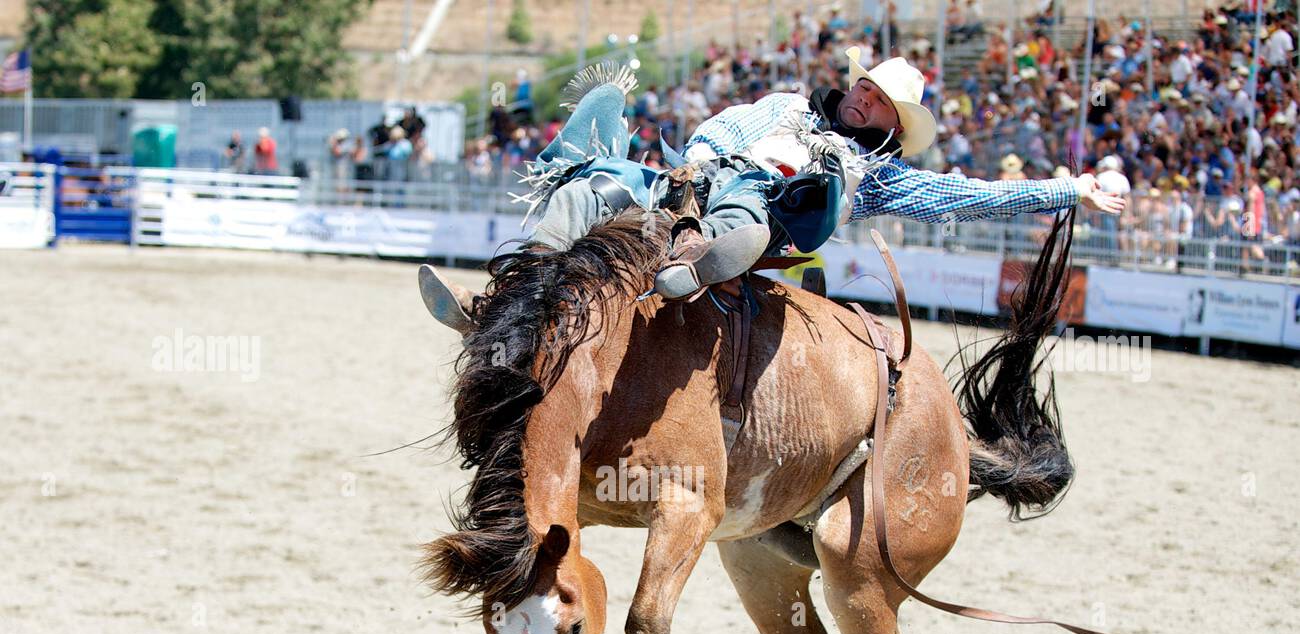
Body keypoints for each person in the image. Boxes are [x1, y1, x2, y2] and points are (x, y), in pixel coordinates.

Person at [421, 53, 1124, 330]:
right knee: (593, 189)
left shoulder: (879, 174)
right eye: (865, 86)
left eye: (880, 101)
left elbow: (967, 196)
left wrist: (1072, 189)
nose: (864, 98)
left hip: (767, 205)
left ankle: (689, 268)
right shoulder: (789, 105)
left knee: (748, 223)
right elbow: (731, 123)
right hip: (692, 177)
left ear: (892, 123)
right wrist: (693, 162)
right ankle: (501, 302)